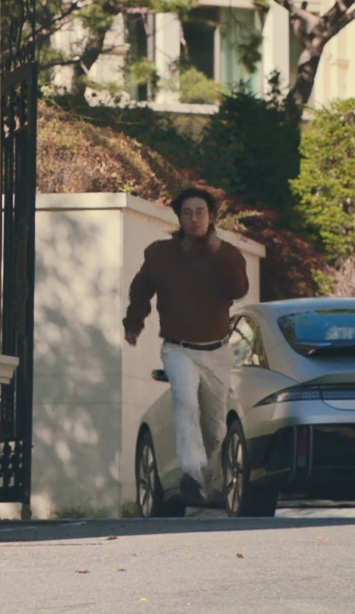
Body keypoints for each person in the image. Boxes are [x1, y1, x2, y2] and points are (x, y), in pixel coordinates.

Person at [123, 187, 249, 506]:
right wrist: (133, 324)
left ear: (211, 216)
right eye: (187, 213)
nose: (194, 219)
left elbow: (239, 289)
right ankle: (192, 474)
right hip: (178, 349)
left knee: (216, 429)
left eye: (200, 212)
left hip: (217, 352)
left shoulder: (228, 254)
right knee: (185, 403)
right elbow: (140, 291)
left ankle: (206, 472)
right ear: (179, 218)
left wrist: (219, 254)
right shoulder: (160, 254)